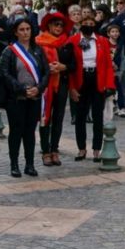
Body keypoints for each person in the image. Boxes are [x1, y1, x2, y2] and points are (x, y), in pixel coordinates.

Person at [0, 18, 46, 177]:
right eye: (22, 29)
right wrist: (21, 89)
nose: (25, 32)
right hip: (16, 98)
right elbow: (4, 74)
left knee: (30, 132)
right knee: (16, 131)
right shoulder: (9, 51)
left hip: (34, 97)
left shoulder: (38, 50)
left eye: (27, 29)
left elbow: (46, 73)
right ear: (15, 32)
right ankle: (14, 164)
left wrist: (38, 89)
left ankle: (30, 164)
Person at [69, 15, 116, 161]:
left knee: (97, 116)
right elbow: (70, 67)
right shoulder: (73, 40)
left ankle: (96, 149)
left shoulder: (102, 41)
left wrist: (109, 85)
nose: (88, 25)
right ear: (80, 24)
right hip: (80, 79)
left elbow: (108, 65)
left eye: (91, 23)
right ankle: (81, 149)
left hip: (97, 79)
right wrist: (72, 88)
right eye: (85, 23)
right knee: (80, 116)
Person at [36, 12, 74, 167]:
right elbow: (34, 63)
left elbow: (73, 65)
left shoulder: (67, 43)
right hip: (45, 86)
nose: (58, 27)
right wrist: (47, 69)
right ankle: (45, 151)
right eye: (55, 24)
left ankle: (54, 150)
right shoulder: (38, 43)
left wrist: (62, 67)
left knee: (58, 118)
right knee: (45, 118)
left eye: (61, 25)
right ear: (49, 26)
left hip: (61, 84)